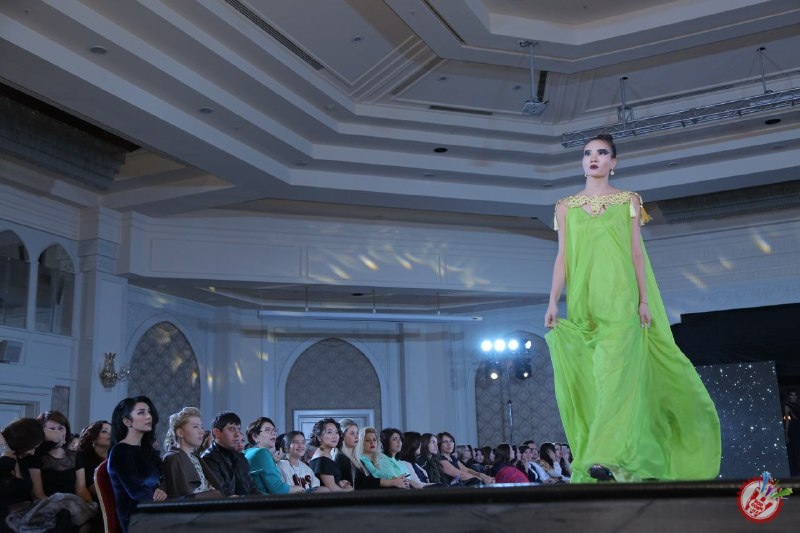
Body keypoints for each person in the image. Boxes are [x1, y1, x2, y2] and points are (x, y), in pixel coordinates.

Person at [543, 133, 721, 483]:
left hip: (622, 300)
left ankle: (604, 457)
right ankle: (621, 459)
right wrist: (552, 301)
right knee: (596, 380)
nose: (593, 158)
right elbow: (562, 257)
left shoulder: (629, 201)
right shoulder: (565, 206)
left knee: (617, 378)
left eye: (602, 153)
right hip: (584, 303)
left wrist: (643, 300)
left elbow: (637, 253)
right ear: (582, 161)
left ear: (613, 162)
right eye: (588, 153)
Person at [107, 396, 167, 533]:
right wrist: (157, 497)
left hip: (152, 510)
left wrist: (160, 492)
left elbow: (154, 485)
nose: (148, 416)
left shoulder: (145, 451)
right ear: (127, 421)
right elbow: (135, 492)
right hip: (135, 517)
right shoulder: (120, 451)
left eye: (149, 411)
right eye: (141, 413)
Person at [162, 407, 222, 499]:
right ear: (180, 432)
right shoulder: (173, 458)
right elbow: (180, 495)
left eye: (201, 427)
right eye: (195, 427)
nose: (201, 431)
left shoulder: (196, 457)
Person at [201, 411, 259, 496]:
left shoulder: (240, 457)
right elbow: (223, 495)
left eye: (238, 429)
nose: (237, 434)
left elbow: (253, 488)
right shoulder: (208, 459)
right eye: (232, 429)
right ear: (217, 432)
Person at [243, 417, 302, 495]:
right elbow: (278, 489)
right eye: (267, 430)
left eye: (274, 430)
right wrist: (300, 488)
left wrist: (273, 461)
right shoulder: (262, 452)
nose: (274, 433)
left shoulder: (248, 452)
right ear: (255, 436)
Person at [308, 418, 352, 492]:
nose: (335, 436)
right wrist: (349, 490)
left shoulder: (323, 456)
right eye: (329, 432)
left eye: (336, 432)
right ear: (319, 437)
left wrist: (339, 482)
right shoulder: (323, 459)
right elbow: (332, 490)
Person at [75, 420, 111, 500]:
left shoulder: (115, 457)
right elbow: (98, 490)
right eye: (104, 431)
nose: (110, 434)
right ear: (93, 437)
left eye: (113, 431)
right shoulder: (83, 459)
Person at [784, 389, 800, 476]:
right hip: (794, 429)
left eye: (795, 395)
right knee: (796, 450)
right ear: (789, 397)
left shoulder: (798, 405)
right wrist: (786, 434)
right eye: (791, 395)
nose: (793, 397)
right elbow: (787, 421)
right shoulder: (787, 406)